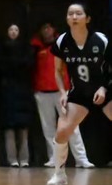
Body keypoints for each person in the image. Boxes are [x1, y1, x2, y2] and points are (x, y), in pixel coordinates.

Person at [46, 2, 111, 185]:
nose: (74, 17)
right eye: (70, 14)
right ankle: (59, 175)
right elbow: (58, 71)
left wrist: (103, 88)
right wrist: (62, 92)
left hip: (105, 89)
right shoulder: (62, 41)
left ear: (87, 19)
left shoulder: (101, 40)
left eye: (78, 13)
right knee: (62, 130)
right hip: (80, 92)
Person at [32, 21, 92, 168]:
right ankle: (54, 158)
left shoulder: (64, 44)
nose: (47, 30)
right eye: (44, 28)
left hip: (62, 92)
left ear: (54, 29)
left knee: (72, 126)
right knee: (48, 128)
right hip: (42, 92)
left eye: (49, 27)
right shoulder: (35, 48)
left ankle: (81, 159)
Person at [0, 23, 36, 167]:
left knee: (23, 129)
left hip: (23, 92)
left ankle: (24, 159)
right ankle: (12, 159)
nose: (13, 32)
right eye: (11, 29)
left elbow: (28, 65)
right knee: (9, 129)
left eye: (16, 29)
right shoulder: (1, 49)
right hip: (7, 92)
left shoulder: (26, 49)